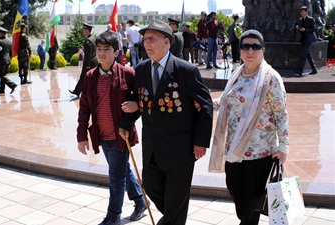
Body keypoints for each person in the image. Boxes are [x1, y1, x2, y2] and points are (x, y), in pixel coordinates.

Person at [120, 19, 213, 225]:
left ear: (167, 42)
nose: (147, 43)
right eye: (145, 39)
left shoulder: (185, 70)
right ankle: (173, 217)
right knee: (152, 187)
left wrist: (201, 141)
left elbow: (205, 106)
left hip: (179, 149)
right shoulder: (142, 69)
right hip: (152, 147)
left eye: (152, 39)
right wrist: (127, 122)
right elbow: (140, 98)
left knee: (176, 202)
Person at [208, 29, 289, 225]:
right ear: (240, 50)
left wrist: (284, 147)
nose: (250, 50)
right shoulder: (236, 75)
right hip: (234, 151)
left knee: (251, 204)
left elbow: (281, 113)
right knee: (236, 193)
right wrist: (205, 104)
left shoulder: (272, 78)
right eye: (245, 46)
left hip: (260, 154)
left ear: (263, 50)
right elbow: (226, 102)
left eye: (255, 46)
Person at [76, 31, 146, 225]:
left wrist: (132, 112)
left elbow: (140, 99)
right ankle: (140, 202)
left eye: (106, 49)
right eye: (99, 49)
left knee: (116, 177)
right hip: (101, 135)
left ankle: (113, 217)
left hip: (120, 135)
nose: (101, 53)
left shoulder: (128, 74)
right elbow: (84, 108)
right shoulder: (90, 76)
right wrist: (81, 135)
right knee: (122, 170)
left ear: (116, 52)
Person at [69, 22, 98, 97]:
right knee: (92, 78)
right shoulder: (93, 39)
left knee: (83, 78)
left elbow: (88, 54)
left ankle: (77, 91)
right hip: (94, 61)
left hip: (89, 63)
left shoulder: (88, 40)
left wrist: (87, 65)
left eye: (84, 29)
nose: (83, 30)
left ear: (88, 30)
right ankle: (78, 91)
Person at [294, 6, 318, 76]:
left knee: (304, 54)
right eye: (301, 11)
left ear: (306, 12)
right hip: (303, 39)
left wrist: (305, 30)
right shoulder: (300, 20)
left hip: (309, 39)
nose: (301, 13)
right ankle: (314, 69)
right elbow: (300, 29)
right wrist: (298, 28)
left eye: (303, 11)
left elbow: (313, 29)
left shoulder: (311, 19)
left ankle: (300, 69)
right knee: (308, 54)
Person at [0, 26, 17, 95]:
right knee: (3, 75)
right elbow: (11, 52)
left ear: (1, 33)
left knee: (0, 74)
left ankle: (12, 84)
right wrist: (10, 61)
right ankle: (2, 89)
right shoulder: (9, 41)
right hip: (7, 60)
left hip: (1, 61)